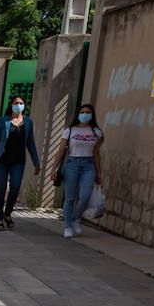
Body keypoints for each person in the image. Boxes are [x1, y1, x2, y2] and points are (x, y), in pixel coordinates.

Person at [0, 94, 41, 231]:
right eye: (16, 103)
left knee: (15, 188)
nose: (18, 105)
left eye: (21, 103)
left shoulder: (28, 122)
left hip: (18, 161)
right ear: (11, 105)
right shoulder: (2, 121)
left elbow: (31, 144)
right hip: (1, 160)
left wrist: (36, 162)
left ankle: (7, 213)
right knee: (1, 188)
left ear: (24, 106)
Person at [53, 102, 103, 238]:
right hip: (72, 164)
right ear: (78, 114)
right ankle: (68, 226)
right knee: (70, 198)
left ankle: (76, 218)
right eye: (82, 112)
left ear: (92, 115)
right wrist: (54, 168)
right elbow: (60, 150)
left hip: (89, 165)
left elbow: (97, 154)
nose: (85, 115)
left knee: (85, 196)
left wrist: (99, 172)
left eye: (88, 113)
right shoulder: (69, 130)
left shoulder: (96, 132)